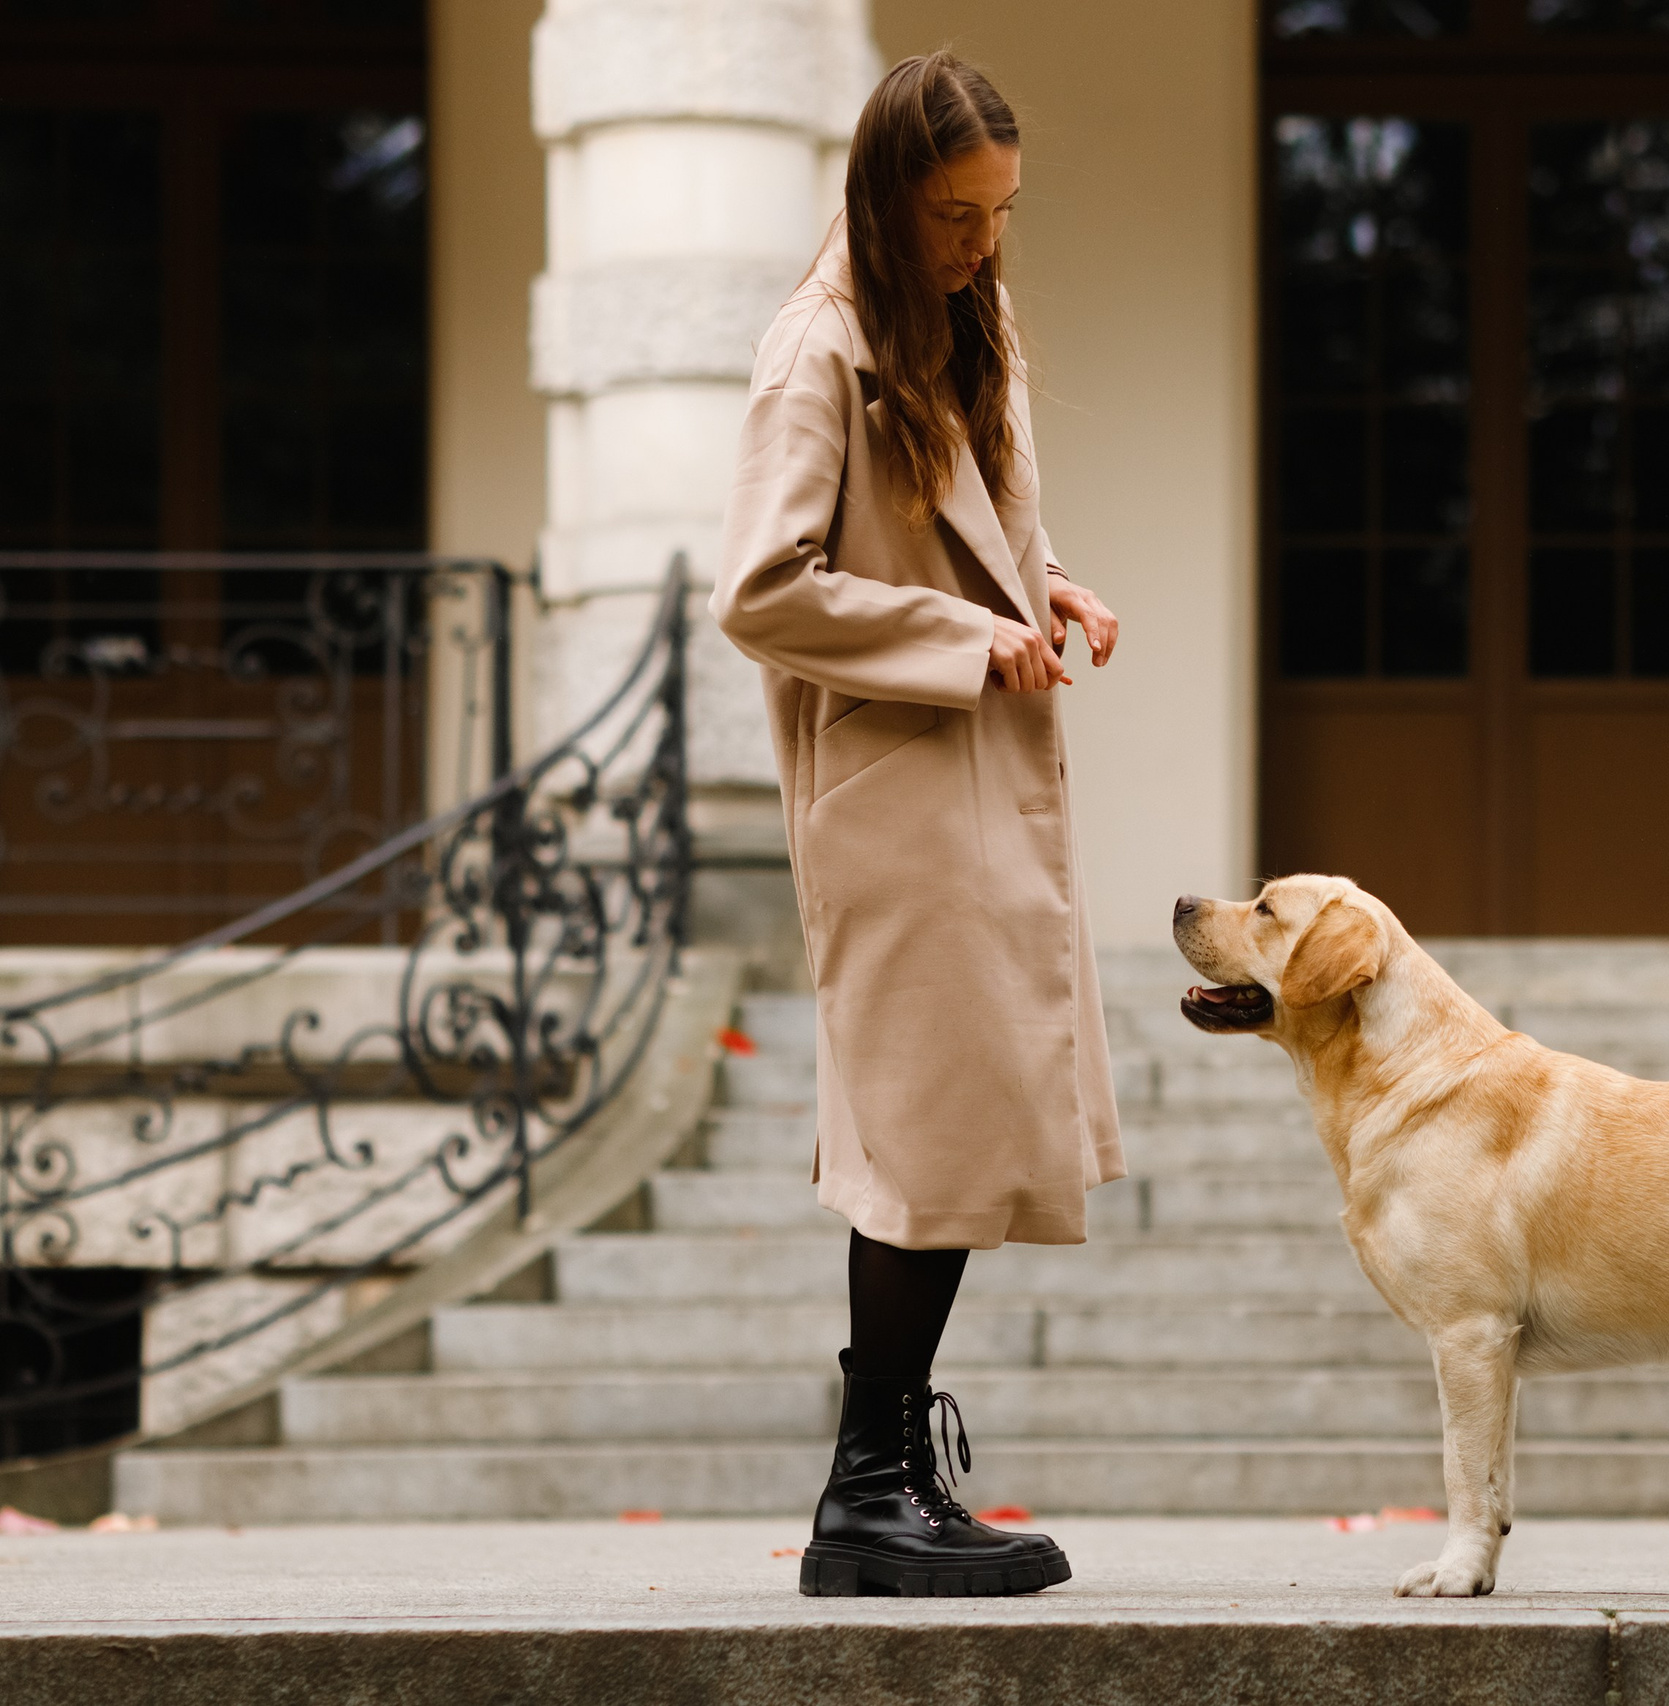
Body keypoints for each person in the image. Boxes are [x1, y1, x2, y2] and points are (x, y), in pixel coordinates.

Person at [711, 51, 1124, 1599]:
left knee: (949, 1141)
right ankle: (864, 1494)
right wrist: (965, 640)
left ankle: (880, 1482)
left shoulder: (968, 318)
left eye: (1000, 214)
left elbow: (973, 514)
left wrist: (1049, 580)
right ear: (889, 197)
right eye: (956, 215)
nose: (981, 242)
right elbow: (761, 588)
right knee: (920, 1142)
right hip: (898, 792)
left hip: (981, 787)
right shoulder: (815, 351)